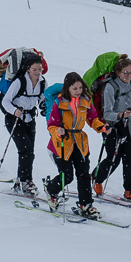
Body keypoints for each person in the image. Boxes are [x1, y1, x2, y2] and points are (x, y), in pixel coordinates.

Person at [46, 72, 108, 219]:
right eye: (75, 88)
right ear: (68, 88)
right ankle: (51, 190)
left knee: (84, 175)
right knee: (66, 176)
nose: (78, 91)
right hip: (62, 143)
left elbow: (93, 119)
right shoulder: (59, 103)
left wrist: (102, 127)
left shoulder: (85, 102)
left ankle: (85, 204)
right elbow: (52, 124)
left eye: (80, 88)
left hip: (79, 143)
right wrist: (57, 131)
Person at [93, 55, 131, 200]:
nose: (128, 75)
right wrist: (120, 115)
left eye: (130, 72)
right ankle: (96, 179)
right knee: (113, 159)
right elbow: (107, 114)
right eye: (125, 72)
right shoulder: (110, 87)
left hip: (128, 125)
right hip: (112, 127)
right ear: (118, 72)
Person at [0, 50, 46, 195]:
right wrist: (14, 111)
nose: (37, 72)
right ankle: (26, 181)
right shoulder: (20, 82)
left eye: (40, 69)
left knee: (30, 152)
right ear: (28, 69)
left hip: (30, 118)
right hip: (14, 119)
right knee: (25, 149)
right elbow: (5, 101)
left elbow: (43, 99)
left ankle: (22, 180)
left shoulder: (42, 82)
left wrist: (46, 108)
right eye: (34, 69)